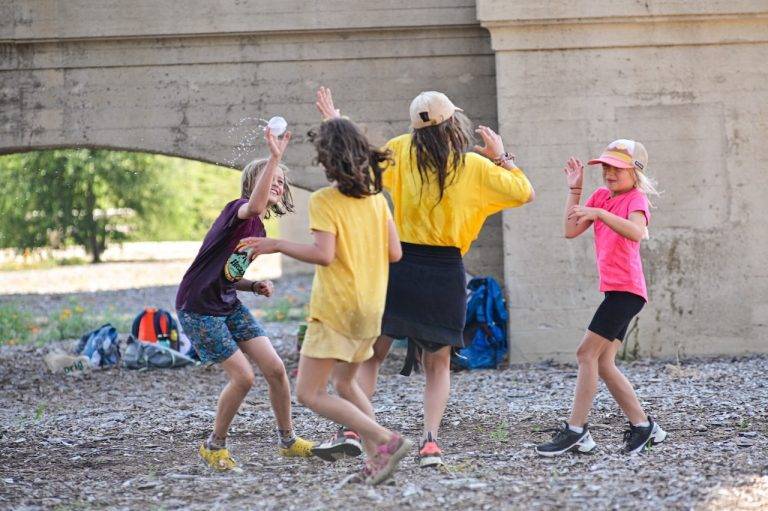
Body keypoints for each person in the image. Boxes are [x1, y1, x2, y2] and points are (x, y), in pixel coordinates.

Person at [314, 86, 535, 467]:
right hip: (445, 269)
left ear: (416, 128)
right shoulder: (475, 166)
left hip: (399, 263)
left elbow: (357, 161)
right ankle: (430, 443)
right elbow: (524, 192)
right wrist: (501, 157)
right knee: (438, 363)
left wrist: (336, 121)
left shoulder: (400, 149)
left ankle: (354, 429)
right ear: (455, 123)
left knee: (371, 355)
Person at [240, 115, 411, 485]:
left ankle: (386, 440)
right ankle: (377, 460)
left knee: (309, 393)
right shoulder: (377, 200)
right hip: (370, 308)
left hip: (336, 309)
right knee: (346, 385)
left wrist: (276, 244)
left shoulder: (324, 200)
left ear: (327, 160)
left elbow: (324, 254)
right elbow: (395, 252)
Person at [175, 127, 314, 472]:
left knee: (276, 370)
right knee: (244, 378)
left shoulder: (260, 232)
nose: (279, 186)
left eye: (282, 182)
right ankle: (213, 446)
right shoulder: (239, 210)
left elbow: (230, 276)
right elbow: (254, 204)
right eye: (273, 179)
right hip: (198, 308)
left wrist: (254, 287)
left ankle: (287, 441)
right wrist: (275, 157)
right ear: (256, 183)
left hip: (225, 303)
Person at [536, 139, 667, 456]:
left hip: (628, 291)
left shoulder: (636, 200)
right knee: (604, 362)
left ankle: (576, 430)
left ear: (635, 171)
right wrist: (575, 192)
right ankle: (644, 427)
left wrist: (599, 213)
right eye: (606, 166)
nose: (609, 172)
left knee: (585, 354)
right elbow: (570, 230)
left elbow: (636, 232)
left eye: (617, 167)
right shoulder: (598, 197)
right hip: (616, 291)